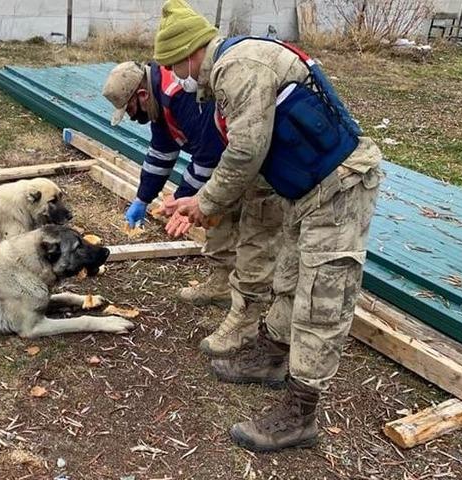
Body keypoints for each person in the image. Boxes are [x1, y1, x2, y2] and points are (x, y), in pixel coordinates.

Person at [154, 0, 384, 452]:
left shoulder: (239, 67)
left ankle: (301, 414)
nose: (173, 77)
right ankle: (271, 357)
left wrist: (207, 203)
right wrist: (197, 199)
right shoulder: (227, 74)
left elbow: (246, 151)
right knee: (289, 277)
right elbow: (245, 156)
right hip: (304, 190)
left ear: (189, 54)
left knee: (321, 297)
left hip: (338, 186)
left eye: (172, 66)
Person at [102, 61, 283, 356]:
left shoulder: (182, 97)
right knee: (213, 212)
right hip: (228, 161)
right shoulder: (159, 105)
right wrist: (142, 198)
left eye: (131, 109)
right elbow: (160, 154)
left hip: (252, 159)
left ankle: (248, 319)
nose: (134, 117)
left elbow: (208, 156)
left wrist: (185, 200)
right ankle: (222, 283)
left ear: (142, 95)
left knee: (249, 228)